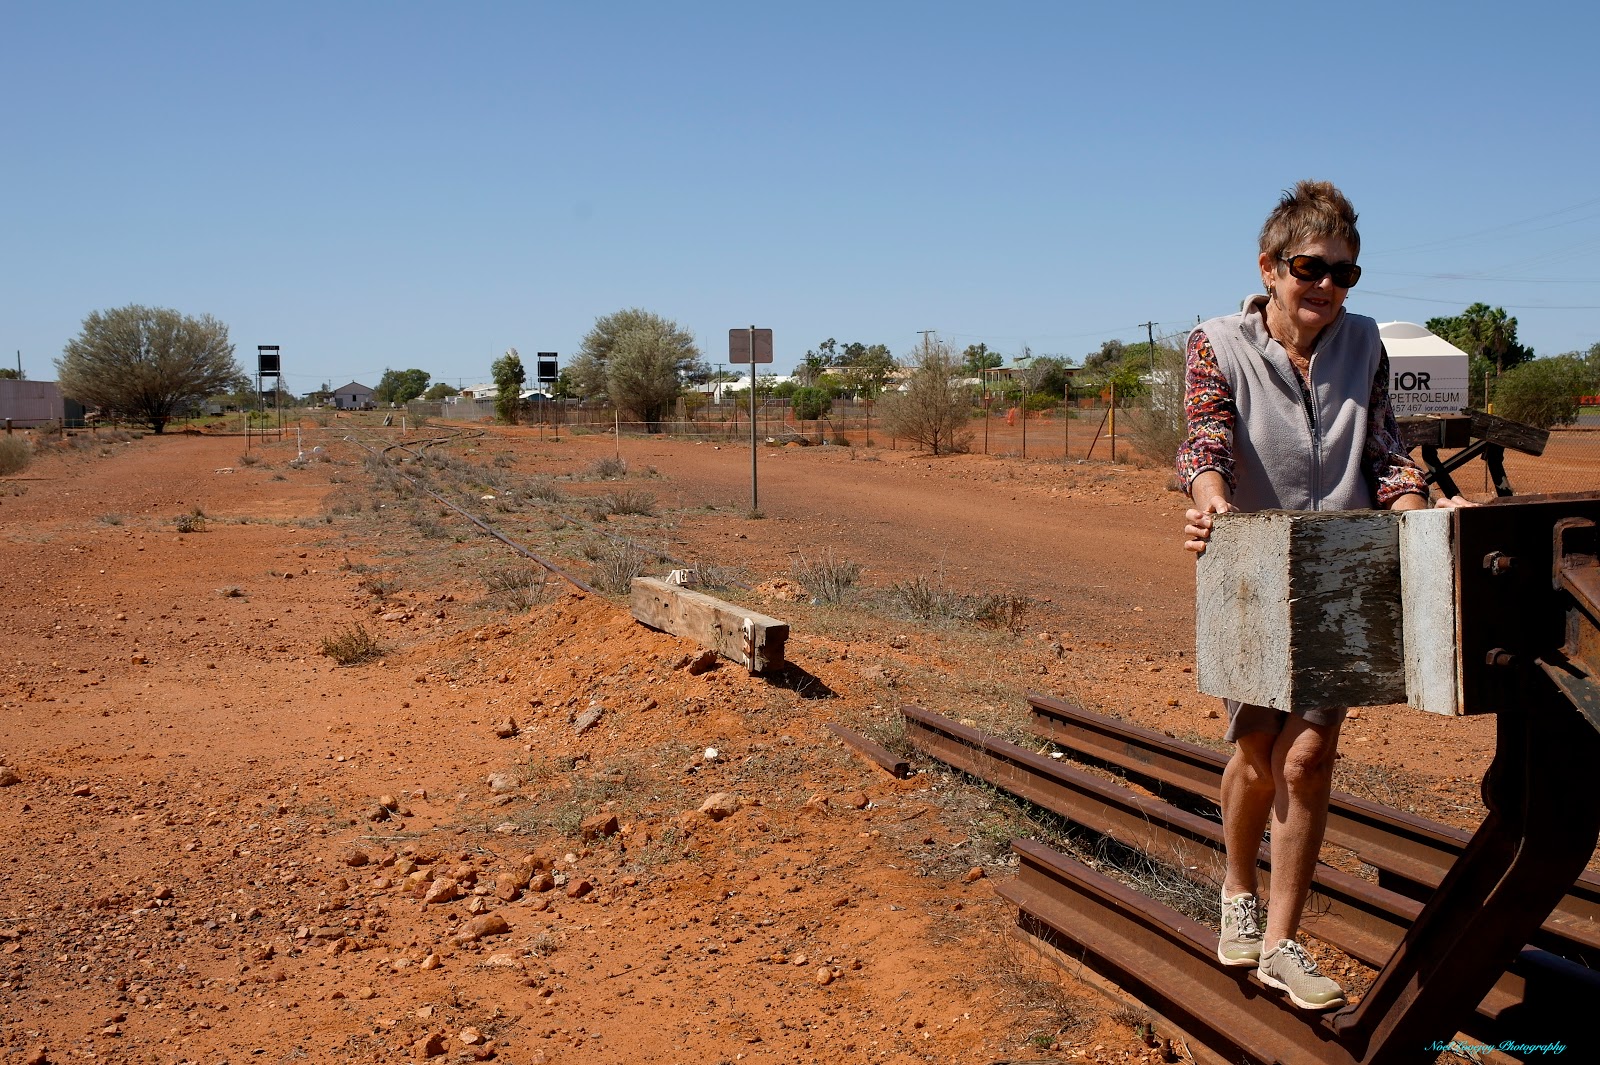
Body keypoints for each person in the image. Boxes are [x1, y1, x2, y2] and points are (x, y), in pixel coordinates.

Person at [1176, 180, 1469, 1011]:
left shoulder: (1366, 343)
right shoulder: (1214, 342)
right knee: (1259, 753)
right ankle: (1237, 887)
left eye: (1346, 274)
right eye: (1312, 269)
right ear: (1271, 267)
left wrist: (1421, 518)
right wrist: (1213, 509)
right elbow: (1204, 438)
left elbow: (1385, 451)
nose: (1329, 288)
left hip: (1342, 569)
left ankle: (1280, 941)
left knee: (1306, 758)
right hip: (1251, 569)